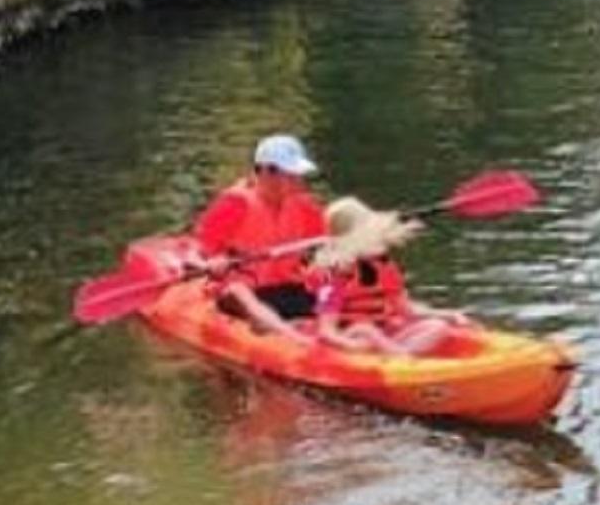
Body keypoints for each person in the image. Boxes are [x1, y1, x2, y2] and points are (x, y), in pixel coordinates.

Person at [190, 135, 330, 335]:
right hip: (245, 292)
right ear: (265, 172)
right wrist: (212, 262)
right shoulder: (235, 204)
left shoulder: (303, 206)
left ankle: (335, 325)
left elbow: (331, 240)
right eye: (290, 175)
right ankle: (289, 335)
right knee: (237, 290)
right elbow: (198, 252)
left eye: (298, 175)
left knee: (329, 277)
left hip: (288, 287)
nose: (298, 181)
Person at [309, 198, 466, 355]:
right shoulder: (332, 276)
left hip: (384, 335)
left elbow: (407, 309)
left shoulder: (383, 266)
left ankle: (401, 357)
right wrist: (350, 345)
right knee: (365, 330)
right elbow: (327, 331)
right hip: (353, 336)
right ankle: (402, 358)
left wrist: (447, 314)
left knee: (437, 326)